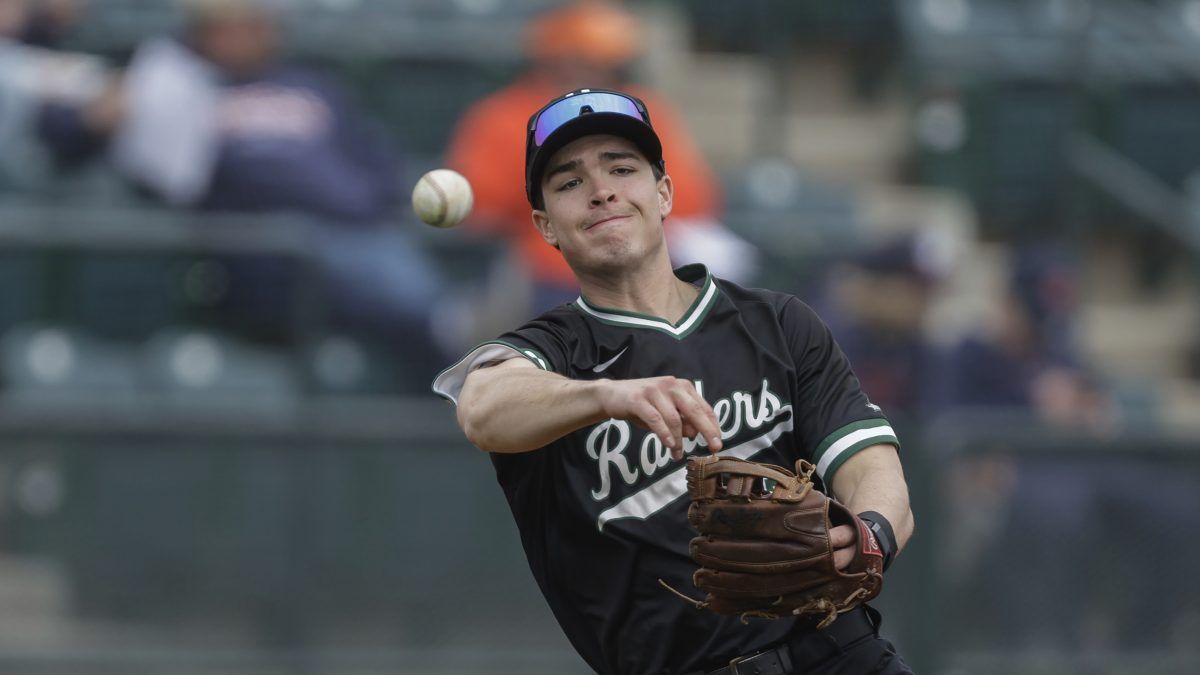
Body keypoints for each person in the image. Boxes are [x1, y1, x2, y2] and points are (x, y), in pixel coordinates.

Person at [433, 88, 914, 674]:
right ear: (545, 226)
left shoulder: (778, 323)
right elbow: (482, 407)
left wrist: (871, 532)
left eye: (622, 169)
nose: (601, 190)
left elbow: (871, 463)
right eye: (569, 182)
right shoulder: (553, 352)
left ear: (664, 193)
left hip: (841, 655)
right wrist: (605, 395)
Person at [445, 0, 757, 316]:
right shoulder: (504, 116)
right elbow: (481, 208)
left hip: (637, 260)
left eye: (604, 61)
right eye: (581, 59)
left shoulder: (640, 108)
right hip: (546, 264)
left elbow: (694, 198)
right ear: (553, 59)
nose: (589, 70)